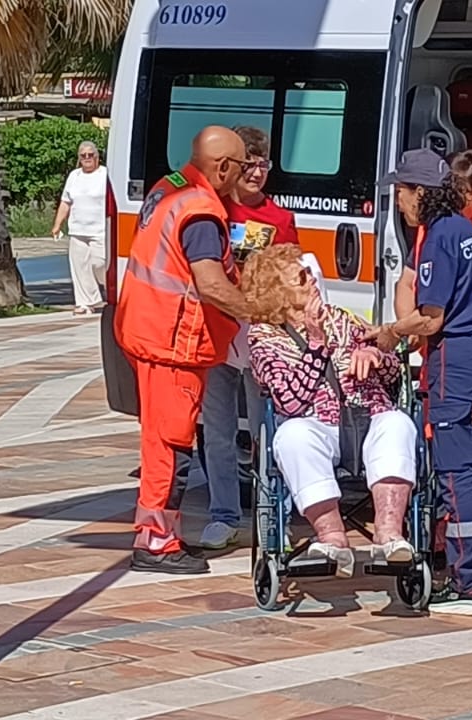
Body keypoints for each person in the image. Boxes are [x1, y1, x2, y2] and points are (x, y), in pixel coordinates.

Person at [381, 150, 472, 579]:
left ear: (421, 193)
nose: (399, 204)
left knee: (457, 474)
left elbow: (431, 318)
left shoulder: (439, 237)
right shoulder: (470, 231)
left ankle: (467, 582)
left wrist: (392, 331)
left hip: (457, 362)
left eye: (402, 193)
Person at [113, 126, 254, 574]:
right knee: (171, 448)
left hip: (147, 330)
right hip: (173, 342)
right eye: (241, 167)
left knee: (159, 441)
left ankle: (159, 535)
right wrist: (257, 311)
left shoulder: (169, 186)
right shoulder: (202, 211)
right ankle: (156, 542)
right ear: (223, 167)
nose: (243, 176)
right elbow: (210, 284)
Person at [246, 244, 417, 577]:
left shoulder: (342, 318)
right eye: (301, 277)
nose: (312, 278)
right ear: (277, 293)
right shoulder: (264, 339)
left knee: (398, 423)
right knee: (292, 436)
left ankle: (389, 534)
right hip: (315, 427)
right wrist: (316, 346)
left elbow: (394, 372)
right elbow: (289, 402)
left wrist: (375, 357)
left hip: (367, 417)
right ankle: (333, 538)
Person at [190, 125, 302, 551]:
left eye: (263, 165)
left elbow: (293, 277)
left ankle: (274, 516)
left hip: (262, 341)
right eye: (249, 164)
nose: (256, 173)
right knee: (217, 431)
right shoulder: (212, 210)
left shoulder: (280, 219)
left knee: (267, 432)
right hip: (217, 335)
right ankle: (223, 515)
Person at [50, 141, 110, 316]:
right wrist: (57, 224)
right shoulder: (74, 176)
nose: (87, 158)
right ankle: (85, 303)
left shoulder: (105, 174)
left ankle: (110, 287)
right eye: (83, 155)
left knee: (99, 263)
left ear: (97, 157)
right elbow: (66, 202)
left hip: (100, 230)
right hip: (78, 230)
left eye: (90, 155)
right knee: (80, 268)